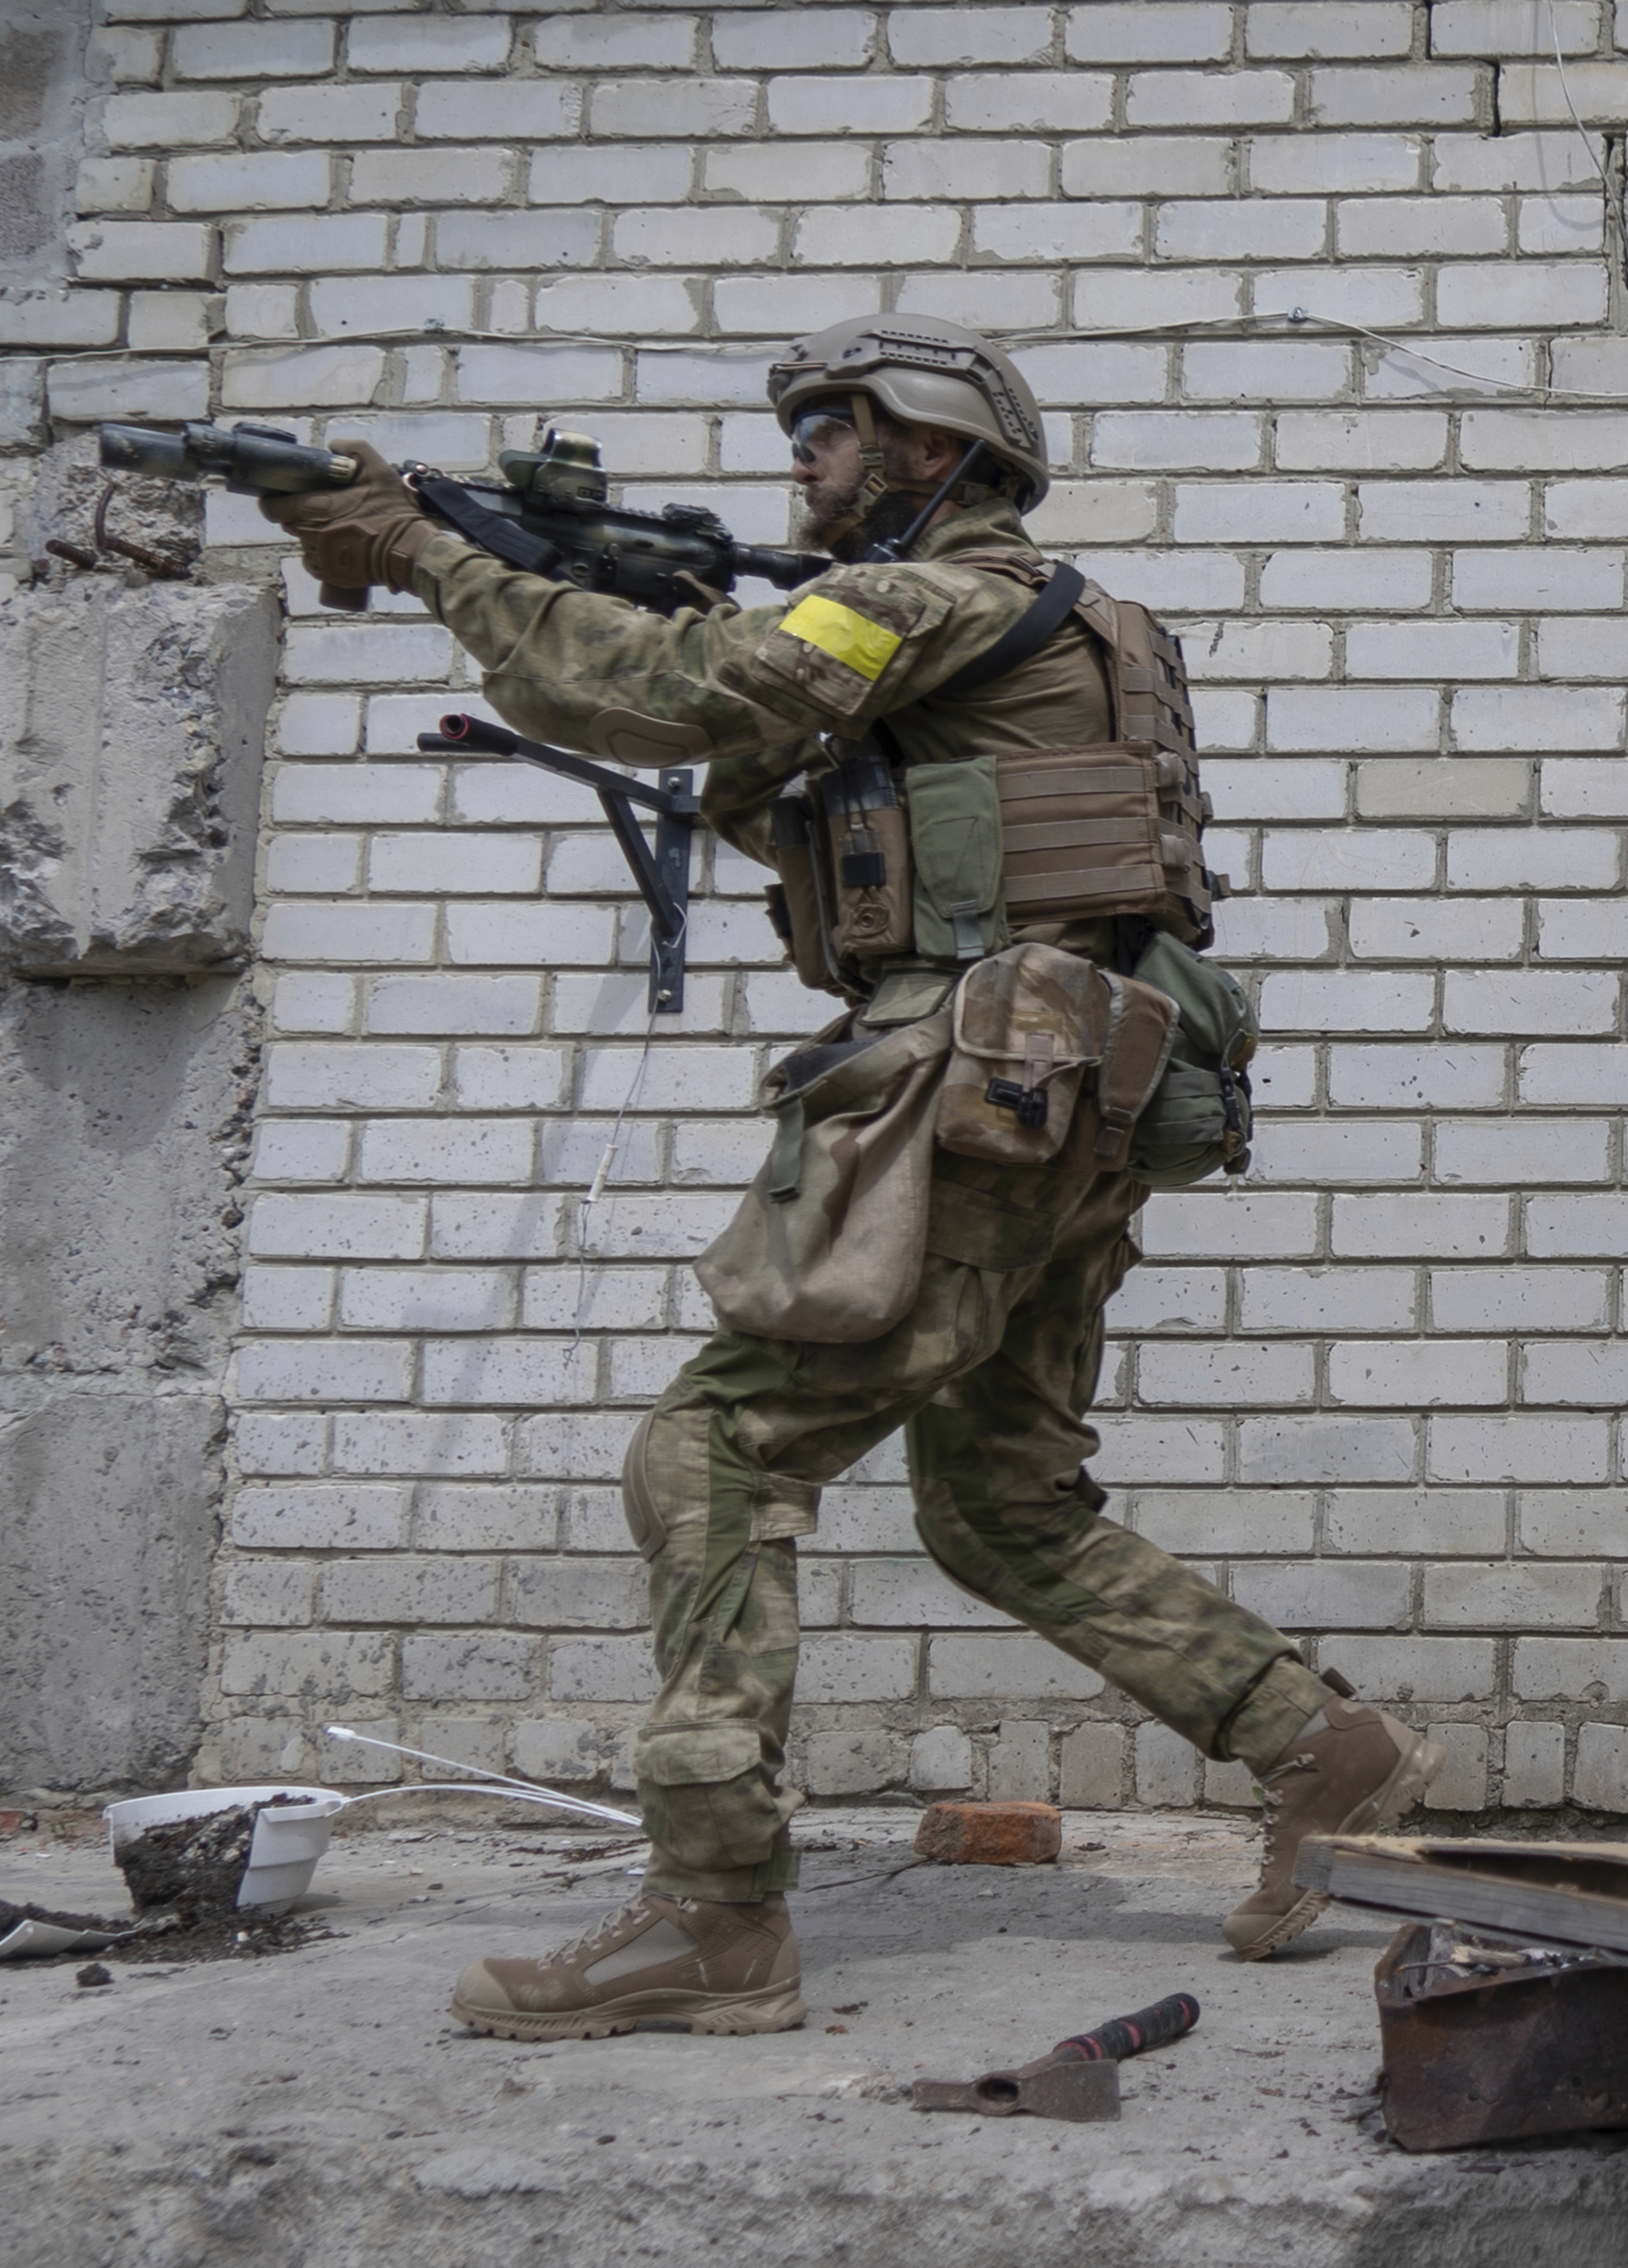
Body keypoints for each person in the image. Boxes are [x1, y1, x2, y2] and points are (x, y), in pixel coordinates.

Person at [263, 315, 1435, 2040]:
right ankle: (1318, 1743)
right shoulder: (1060, 624)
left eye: (833, 428)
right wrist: (620, 598)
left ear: (934, 449)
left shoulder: (925, 598)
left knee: (716, 1449)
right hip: (1073, 1095)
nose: (801, 457)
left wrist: (431, 552)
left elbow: (663, 699)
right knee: (1003, 1504)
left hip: (974, 1093)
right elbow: (785, 796)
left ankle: (714, 1913)